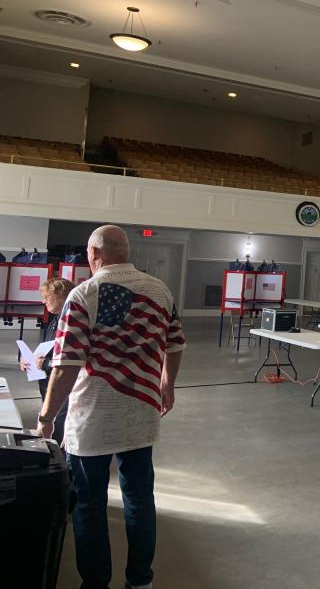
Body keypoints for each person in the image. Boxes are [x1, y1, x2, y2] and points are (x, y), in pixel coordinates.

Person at [37, 225, 185, 589]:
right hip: (141, 416)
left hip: (92, 422)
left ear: (94, 254)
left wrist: (46, 416)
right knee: (139, 500)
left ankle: (97, 582)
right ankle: (140, 581)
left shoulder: (84, 294)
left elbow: (67, 364)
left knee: (89, 504)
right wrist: (167, 384)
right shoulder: (160, 290)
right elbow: (176, 342)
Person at [18, 276, 75, 443]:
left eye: (48, 297)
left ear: (62, 297)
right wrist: (29, 359)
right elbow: (48, 349)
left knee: (58, 430)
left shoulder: (71, 323)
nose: (44, 301)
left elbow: (71, 360)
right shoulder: (54, 320)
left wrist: (45, 363)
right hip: (48, 384)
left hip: (62, 388)